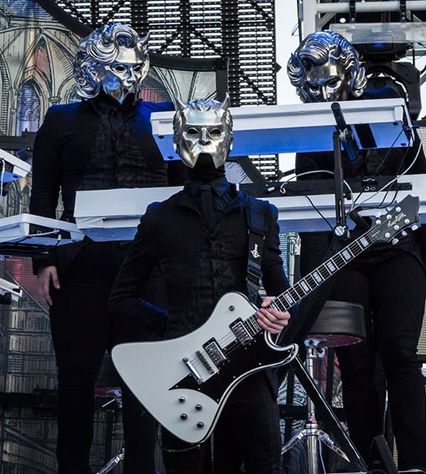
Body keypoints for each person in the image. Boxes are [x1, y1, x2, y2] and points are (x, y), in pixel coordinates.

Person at [287, 31, 426, 473]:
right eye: (314, 85)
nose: (324, 91)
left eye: (330, 79)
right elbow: (313, 206)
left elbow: (423, 179)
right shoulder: (312, 130)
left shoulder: (385, 102)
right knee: (356, 359)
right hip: (346, 253)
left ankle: (416, 464)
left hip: (398, 246)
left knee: (399, 351)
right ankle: (369, 461)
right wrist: (314, 278)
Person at [109, 97, 291, 474]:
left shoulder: (260, 214)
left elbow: (282, 291)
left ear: (230, 140)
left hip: (250, 371)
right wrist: (172, 331)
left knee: (265, 466)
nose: (204, 142)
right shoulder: (159, 218)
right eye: (193, 132)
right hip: (185, 374)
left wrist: (279, 315)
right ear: (177, 141)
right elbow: (121, 298)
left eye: (214, 132)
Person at [29, 23, 172, 474]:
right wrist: (44, 259)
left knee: (144, 385)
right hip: (80, 265)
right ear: (94, 67)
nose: (125, 78)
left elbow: (181, 191)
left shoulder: (163, 117)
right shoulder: (61, 120)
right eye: (114, 68)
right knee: (75, 383)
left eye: (131, 70)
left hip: (147, 269)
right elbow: (42, 194)